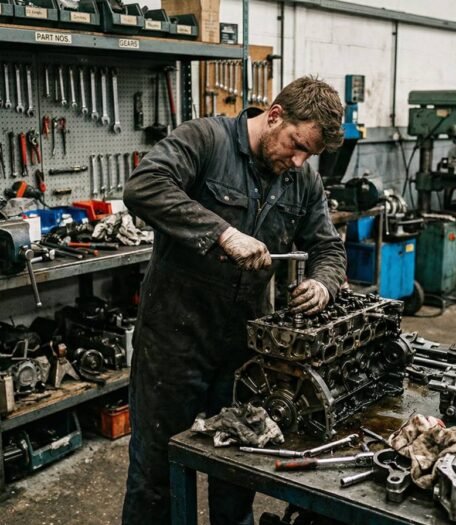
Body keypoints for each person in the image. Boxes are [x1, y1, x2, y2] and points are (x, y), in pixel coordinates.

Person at [121, 76, 348, 525]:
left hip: (244, 351)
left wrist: (324, 283)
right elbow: (143, 186)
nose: (299, 160)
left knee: (236, 472)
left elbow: (328, 247)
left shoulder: (301, 180)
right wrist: (222, 233)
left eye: (310, 155)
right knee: (156, 473)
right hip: (173, 342)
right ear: (276, 115)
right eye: (296, 145)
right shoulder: (204, 139)